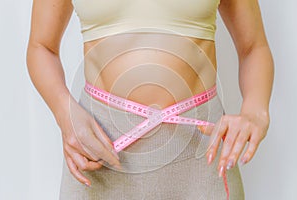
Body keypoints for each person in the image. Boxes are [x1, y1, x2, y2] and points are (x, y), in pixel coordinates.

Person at [26, 0, 274, 199]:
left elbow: (253, 47)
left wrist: (255, 110)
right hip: (98, 150)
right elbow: (41, 46)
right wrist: (64, 112)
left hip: (200, 153)